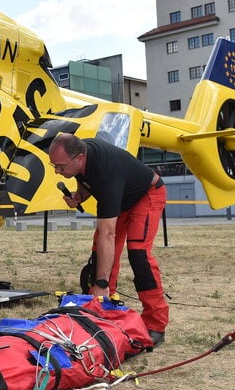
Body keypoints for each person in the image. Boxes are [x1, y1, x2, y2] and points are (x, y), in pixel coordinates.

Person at [48, 132, 169, 346]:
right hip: (122, 197)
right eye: (54, 166)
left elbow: (108, 233)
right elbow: (86, 183)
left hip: (147, 194)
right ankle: (102, 309)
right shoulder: (83, 155)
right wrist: (80, 195)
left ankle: (155, 324)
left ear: (79, 158)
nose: (58, 171)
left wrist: (101, 283)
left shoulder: (106, 172)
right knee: (99, 252)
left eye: (60, 166)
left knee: (138, 253)